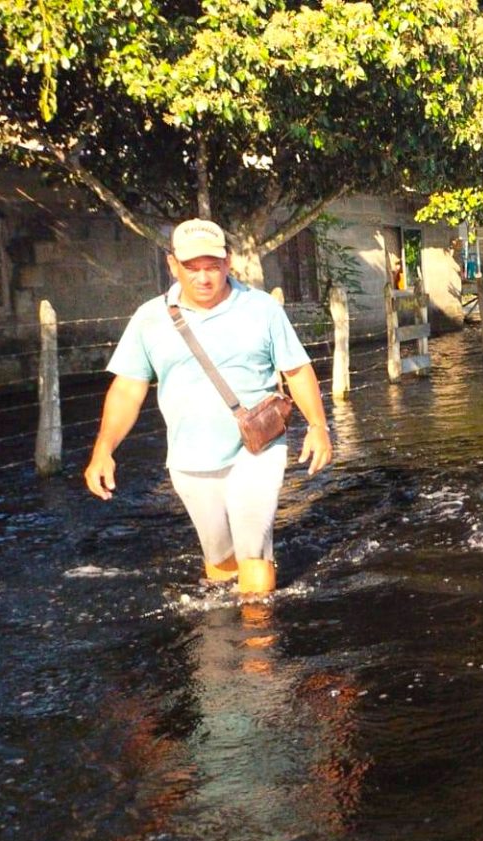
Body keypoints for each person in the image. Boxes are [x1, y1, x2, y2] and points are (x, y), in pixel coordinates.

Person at [84, 218, 332, 595]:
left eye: (212, 266)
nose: (203, 277)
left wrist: (318, 426)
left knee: (253, 551)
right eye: (192, 268)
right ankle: (223, 643)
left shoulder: (260, 308)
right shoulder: (149, 319)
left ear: (228, 262)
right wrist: (104, 448)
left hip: (258, 448)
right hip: (190, 457)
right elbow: (128, 389)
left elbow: (296, 370)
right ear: (173, 266)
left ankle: (257, 653)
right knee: (219, 559)